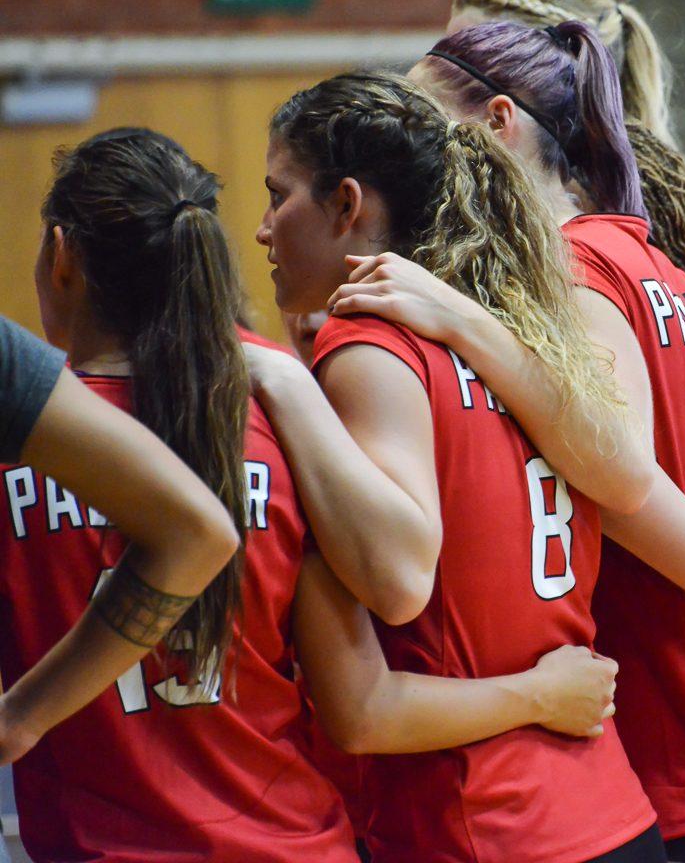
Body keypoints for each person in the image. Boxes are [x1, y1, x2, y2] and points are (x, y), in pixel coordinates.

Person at [0, 127, 614, 862]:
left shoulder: (17, 460)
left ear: (61, 255)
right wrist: (540, 694)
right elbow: (364, 700)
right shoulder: (287, 432)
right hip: (298, 843)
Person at [329, 17, 685, 862]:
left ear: (498, 123)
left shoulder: (572, 280)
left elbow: (630, 475)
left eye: (425, 120)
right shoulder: (657, 271)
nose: (412, 151)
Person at [253, 69, 685, 863]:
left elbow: (385, 621)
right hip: (610, 813)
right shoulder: (515, 337)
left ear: (347, 204)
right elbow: (629, 475)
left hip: (479, 825)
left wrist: (281, 381)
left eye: (276, 194)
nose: (261, 228)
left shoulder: (369, 350)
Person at [0, 316, 239, 765]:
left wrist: (19, 718)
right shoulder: (265, 410)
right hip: (281, 815)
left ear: (62, 261)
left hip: (86, 820)